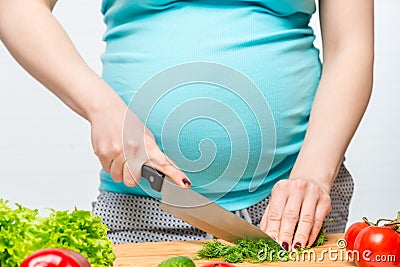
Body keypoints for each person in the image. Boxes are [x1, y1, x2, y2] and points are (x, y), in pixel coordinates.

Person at [0, 0, 374, 251]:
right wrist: (101, 109)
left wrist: (312, 176)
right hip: (144, 200)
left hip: (293, 205)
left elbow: (351, 46)